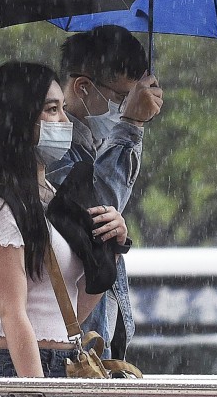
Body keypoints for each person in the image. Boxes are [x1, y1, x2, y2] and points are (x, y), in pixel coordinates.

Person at [0, 61, 129, 397]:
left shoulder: (50, 200)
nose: (63, 120)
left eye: (62, 108)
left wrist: (107, 250)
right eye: (51, 109)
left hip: (63, 367)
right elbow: (13, 313)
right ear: (18, 119)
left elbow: (69, 314)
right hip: (19, 373)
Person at [46, 25, 163, 360]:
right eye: (120, 98)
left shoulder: (93, 147)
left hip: (92, 349)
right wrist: (131, 125)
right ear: (82, 87)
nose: (124, 108)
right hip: (65, 349)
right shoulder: (51, 147)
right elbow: (91, 220)